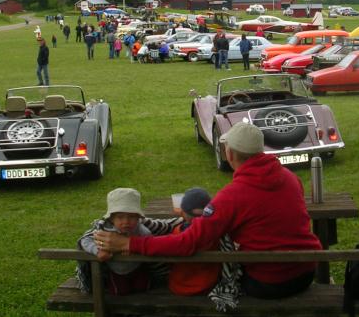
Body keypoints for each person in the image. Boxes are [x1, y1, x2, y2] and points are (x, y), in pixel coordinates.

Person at [96, 123, 321, 299]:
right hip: (306, 271)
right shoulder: (291, 179)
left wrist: (128, 244)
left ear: (229, 153)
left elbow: (188, 243)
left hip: (268, 282)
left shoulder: (231, 196)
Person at [78, 188, 152, 295]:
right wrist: (97, 251)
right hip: (116, 271)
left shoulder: (141, 230)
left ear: (138, 218)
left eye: (131, 217)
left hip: (138, 267)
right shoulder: (104, 229)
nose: (126, 222)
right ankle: (120, 311)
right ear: (112, 219)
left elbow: (149, 242)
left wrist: (134, 248)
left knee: (143, 289)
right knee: (118, 292)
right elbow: (85, 240)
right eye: (120, 217)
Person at [168, 188, 221, 296]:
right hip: (207, 284)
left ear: (182, 213)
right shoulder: (215, 234)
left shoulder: (176, 232)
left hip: (178, 285)